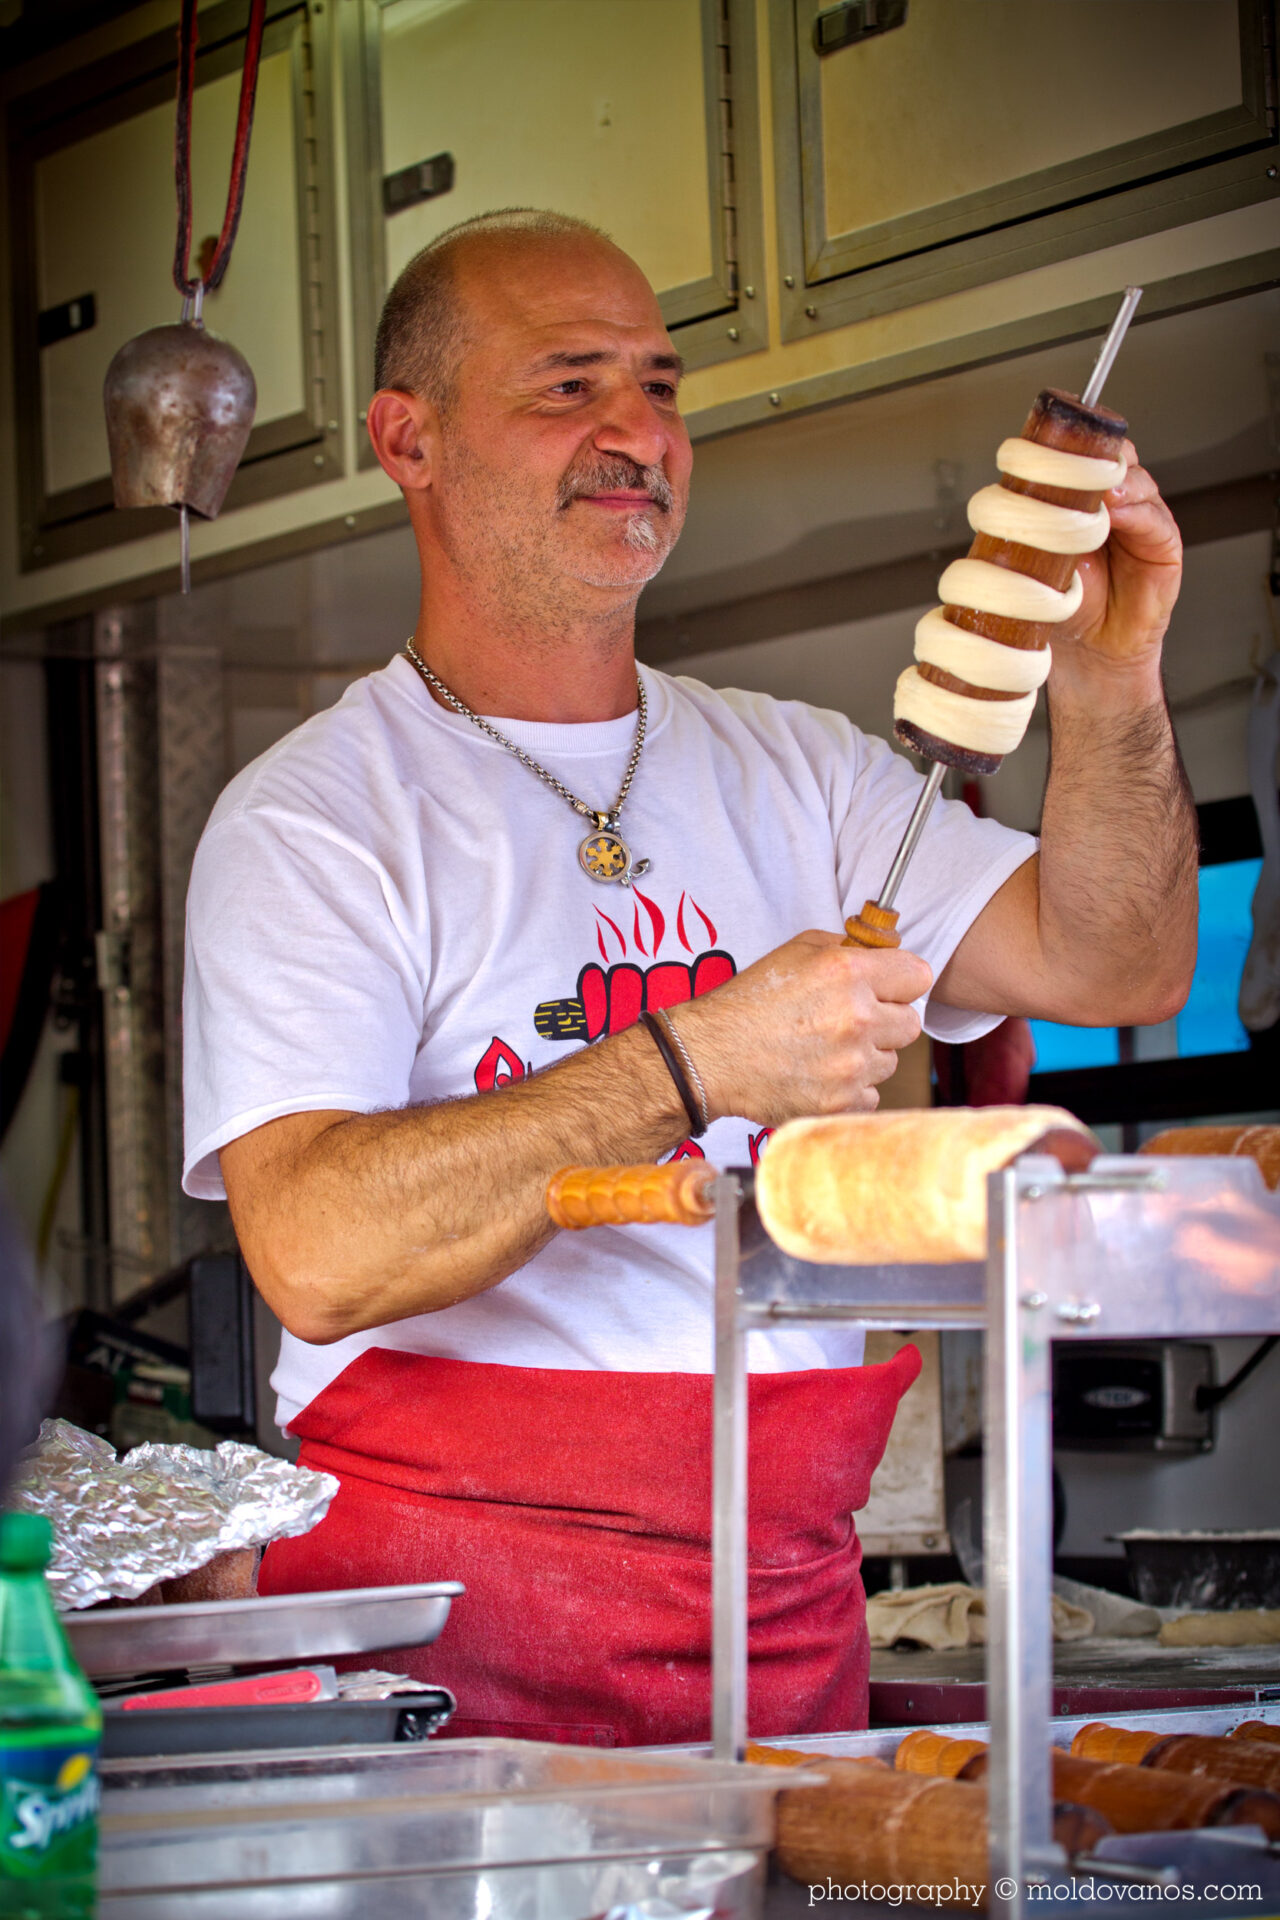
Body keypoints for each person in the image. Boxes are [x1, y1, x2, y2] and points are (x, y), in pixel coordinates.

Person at [183, 208, 1197, 1745]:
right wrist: (691, 1064)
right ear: (410, 438)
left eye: (658, 386)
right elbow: (316, 1249)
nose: (634, 434)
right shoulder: (316, 817)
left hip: (779, 1630)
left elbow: (1117, 958)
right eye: (568, 386)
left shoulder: (800, 770)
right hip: (452, 1666)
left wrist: (1113, 683)